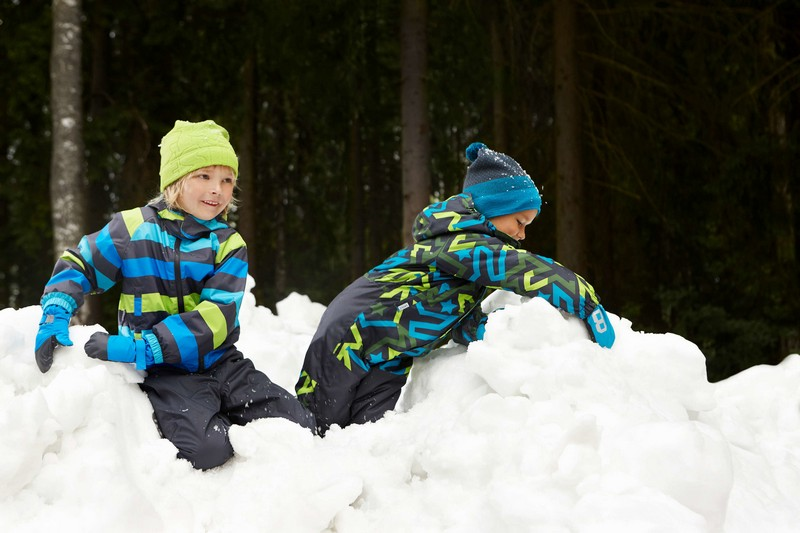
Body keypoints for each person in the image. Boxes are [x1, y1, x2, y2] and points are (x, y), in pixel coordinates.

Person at [34, 119, 315, 469]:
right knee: (210, 449)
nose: (217, 190)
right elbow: (82, 263)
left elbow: (216, 315)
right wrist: (55, 311)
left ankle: (226, 410)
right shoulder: (134, 228)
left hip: (222, 362)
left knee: (300, 426)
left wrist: (141, 346)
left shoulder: (228, 244)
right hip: (169, 374)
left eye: (227, 180)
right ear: (176, 180)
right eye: (204, 177)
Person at [295, 142, 615, 435]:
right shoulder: (460, 247)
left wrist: (503, 332)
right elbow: (524, 269)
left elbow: (453, 315)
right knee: (319, 433)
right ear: (493, 208)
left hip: (388, 356)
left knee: (365, 440)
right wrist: (587, 305)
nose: (522, 234)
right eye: (519, 221)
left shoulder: (466, 265)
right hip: (347, 338)